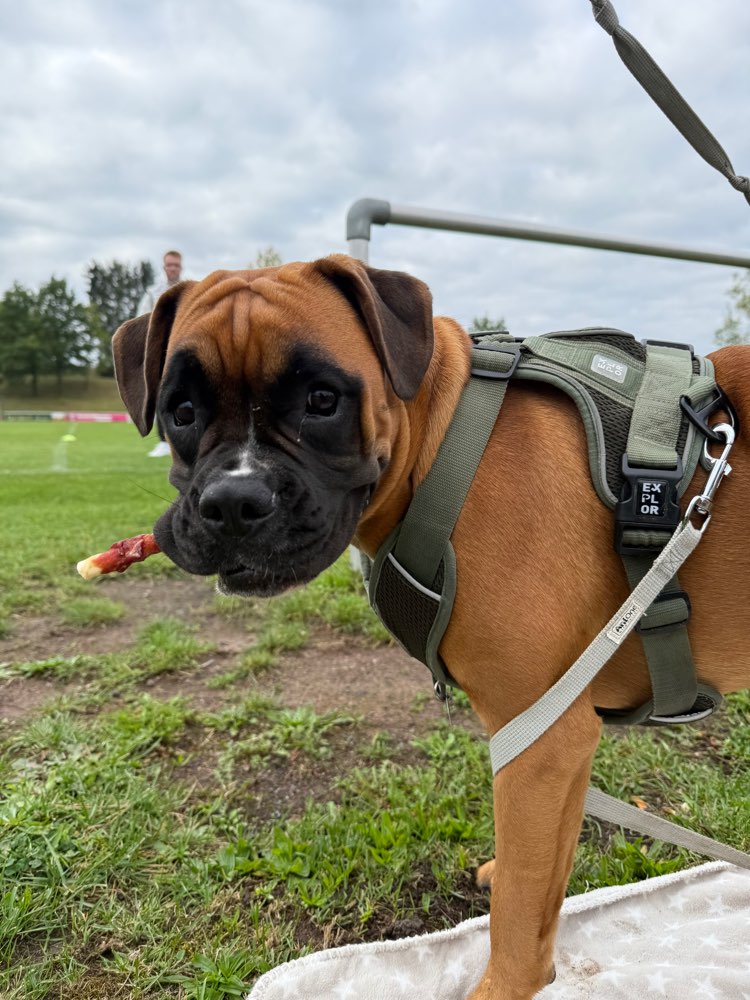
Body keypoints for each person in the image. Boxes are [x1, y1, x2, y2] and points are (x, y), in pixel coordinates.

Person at [137, 250, 184, 456]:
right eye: (169, 265)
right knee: (161, 392)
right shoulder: (152, 293)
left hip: (183, 348)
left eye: (176, 265)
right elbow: (142, 319)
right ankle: (164, 440)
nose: (173, 268)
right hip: (162, 350)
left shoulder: (190, 289)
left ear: (180, 267)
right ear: (164, 267)